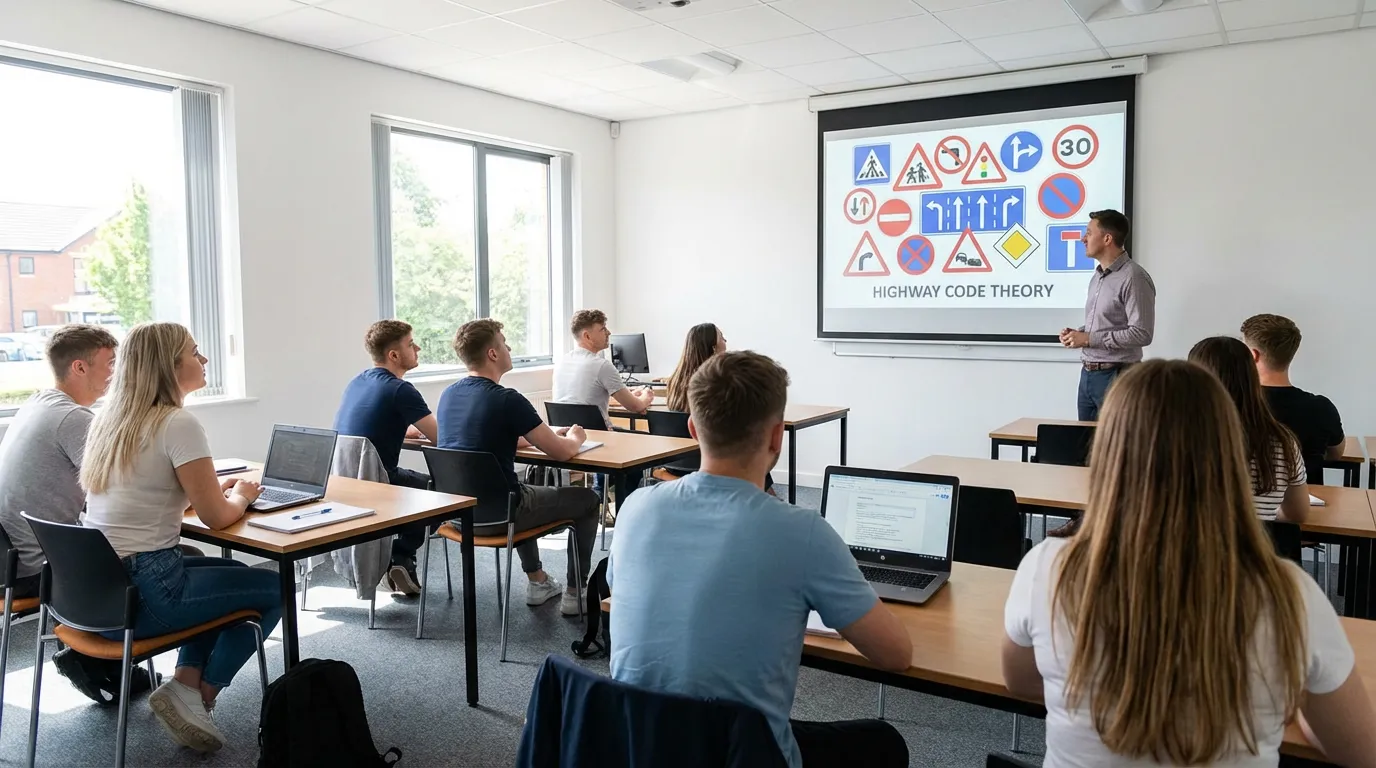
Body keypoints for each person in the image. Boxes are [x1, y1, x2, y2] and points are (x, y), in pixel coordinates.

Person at [1002, 359, 1376, 768]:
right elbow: (1361, 751)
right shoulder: (1290, 595)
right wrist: (1299, 703)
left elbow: (1020, 682)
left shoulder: (1046, 568)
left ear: (1107, 452)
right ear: (1230, 452)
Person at [609, 351, 912, 768]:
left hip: (636, 746)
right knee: (884, 743)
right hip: (739, 753)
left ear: (693, 428)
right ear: (777, 438)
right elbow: (895, 655)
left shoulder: (636, 508)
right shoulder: (802, 532)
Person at [82, 323, 280, 754]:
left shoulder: (110, 421)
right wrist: (242, 496)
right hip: (148, 595)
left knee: (225, 573)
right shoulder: (177, 423)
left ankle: (185, 682)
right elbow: (217, 519)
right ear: (169, 366)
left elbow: (145, 491)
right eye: (195, 352)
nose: (204, 359)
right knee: (275, 588)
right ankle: (203, 695)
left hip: (97, 594)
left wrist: (207, 492)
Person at [437, 319, 600, 614]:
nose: (509, 347)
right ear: (492, 354)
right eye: (504, 342)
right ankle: (576, 593)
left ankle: (538, 581)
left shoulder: (449, 395)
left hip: (460, 515)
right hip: (504, 513)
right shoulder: (507, 399)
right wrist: (576, 437)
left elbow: (482, 440)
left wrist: (532, 438)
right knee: (587, 499)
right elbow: (562, 453)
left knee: (522, 489)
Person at [0, 325, 117, 599]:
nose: (117, 373)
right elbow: (118, 493)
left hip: (9, 565)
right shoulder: (74, 418)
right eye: (111, 363)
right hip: (38, 569)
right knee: (171, 559)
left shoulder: (37, 403)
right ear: (80, 367)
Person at [333, 319, 438, 595]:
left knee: (417, 488)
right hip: (379, 483)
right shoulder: (400, 389)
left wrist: (405, 431)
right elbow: (442, 439)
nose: (417, 348)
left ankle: (397, 558)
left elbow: (370, 428)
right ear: (394, 355)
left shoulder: (357, 382)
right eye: (410, 344)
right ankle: (400, 555)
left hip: (344, 484)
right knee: (441, 492)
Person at [1189, 336, 1308, 523]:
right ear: (1253, 377)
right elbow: (1298, 514)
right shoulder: (1282, 442)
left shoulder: (1178, 439)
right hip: (1257, 539)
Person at [551, 308, 654, 509]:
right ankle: (625, 509)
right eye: (602, 329)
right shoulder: (601, 365)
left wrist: (626, 394)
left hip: (565, 436)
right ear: (587, 336)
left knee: (617, 433)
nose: (608, 333)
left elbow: (584, 397)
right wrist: (645, 397)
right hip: (598, 438)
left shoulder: (563, 361)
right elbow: (635, 407)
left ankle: (600, 495)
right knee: (639, 447)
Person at [1058, 209, 1155, 421]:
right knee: (1084, 441)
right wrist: (1079, 334)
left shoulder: (1134, 277)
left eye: (1088, 233)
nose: (1083, 239)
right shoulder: (1098, 277)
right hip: (1088, 375)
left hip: (1118, 376)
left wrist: (1089, 338)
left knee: (1118, 440)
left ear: (1107, 238)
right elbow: (1106, 323)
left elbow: (1142, 333)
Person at [1241, 314, 1345, 484]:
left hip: (1248, 497)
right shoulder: (1321, 407)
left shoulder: (1231, 404)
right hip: (1309, 496)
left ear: (1253, 355)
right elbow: (1335, 454)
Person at [663, 322, 725, 413]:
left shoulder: (674, 382)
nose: (725, 342)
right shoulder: (716, 384)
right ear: (713, 348)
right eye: (722, 338)